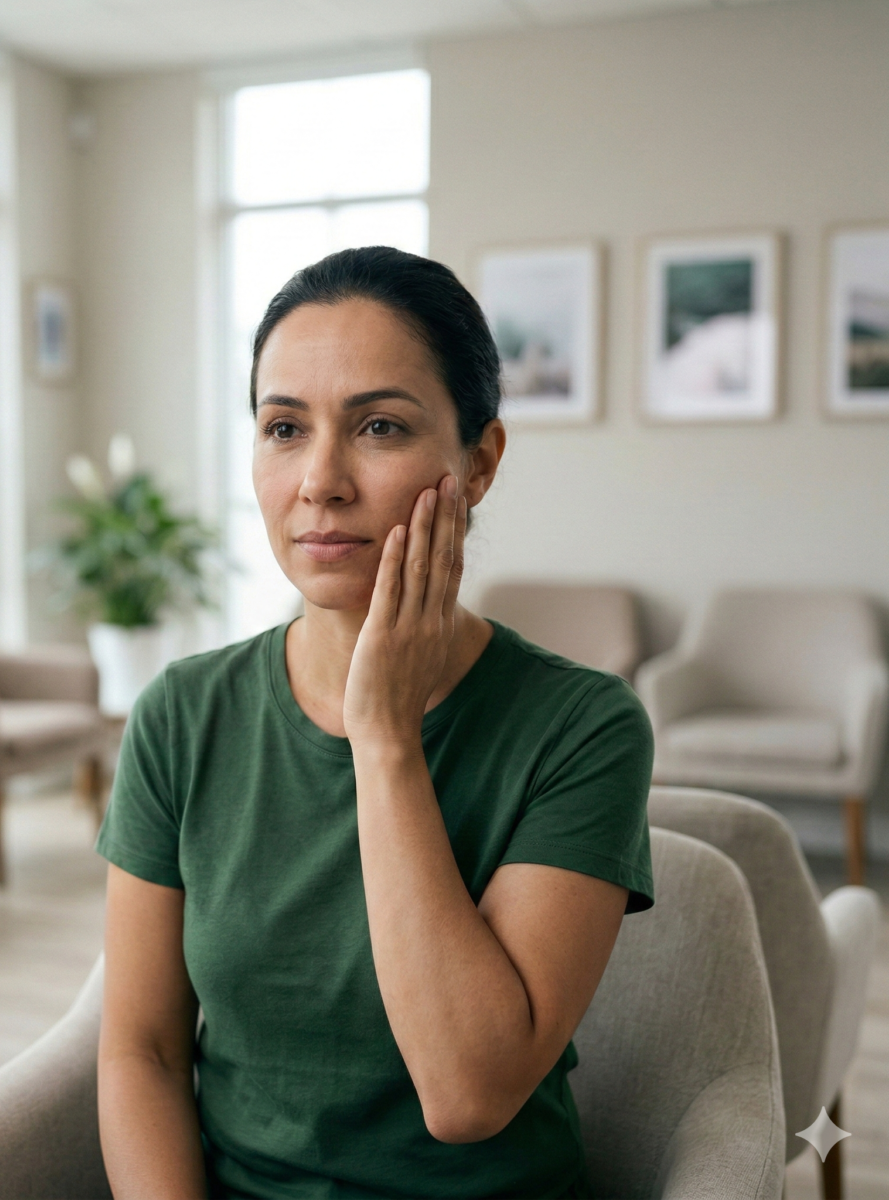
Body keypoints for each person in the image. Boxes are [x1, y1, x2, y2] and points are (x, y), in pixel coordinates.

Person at [95, 246, 654, 1200]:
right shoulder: (181, 716)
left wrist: (386, 737)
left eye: (379, 426)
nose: (320, 480)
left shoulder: (583, 727)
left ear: (478, 462)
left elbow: (469, 1093)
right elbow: (140, 1050)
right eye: (283, 428)